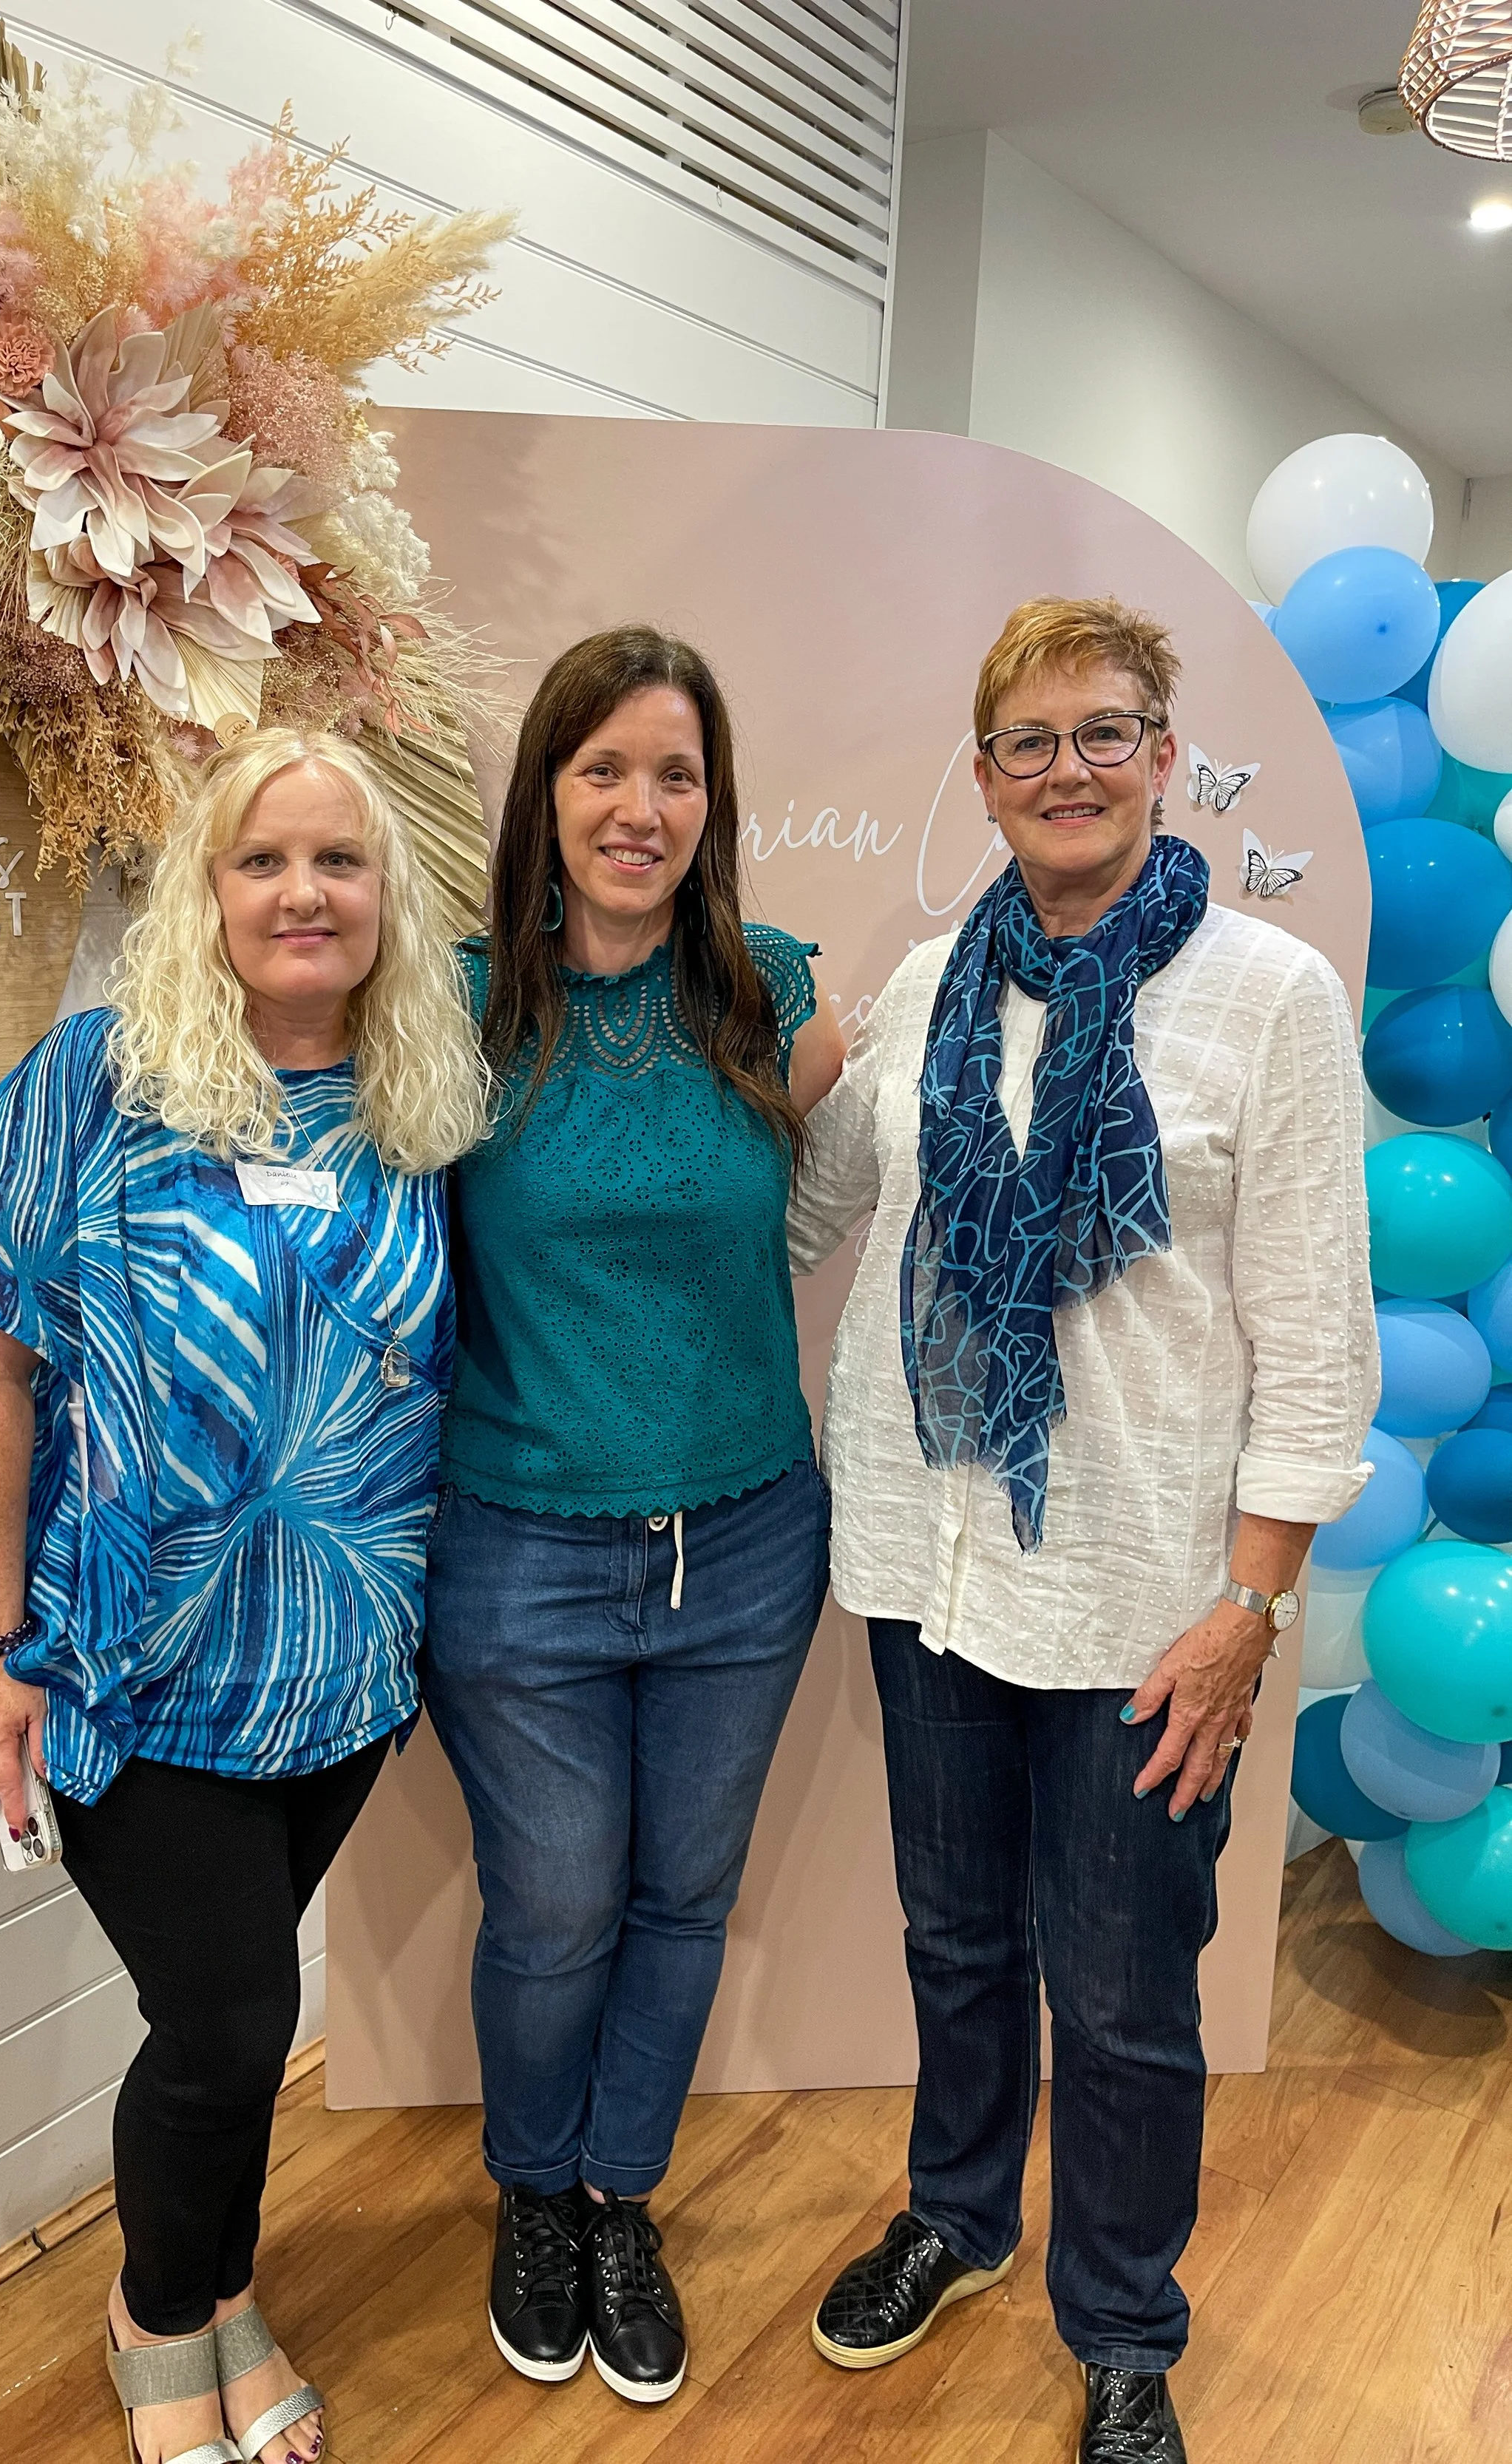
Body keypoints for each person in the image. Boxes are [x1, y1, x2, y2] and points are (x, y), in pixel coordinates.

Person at [790, 598, 1377, 2464]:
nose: (1066, 769)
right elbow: (814, 1214)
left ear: (1163, 756)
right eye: (1028, 741)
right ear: (980, 777)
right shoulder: (921, 978)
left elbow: (1315, 1336)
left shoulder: (1264, 997)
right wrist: (698, 1059)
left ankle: (1122, 2326)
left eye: (1104, 731)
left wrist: (1248, 1610)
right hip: (922, 1558)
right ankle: (955, 2217)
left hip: (1142, 1602)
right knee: (953, 1939)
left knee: (1122, 1998)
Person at [0, 730, 487, 2464]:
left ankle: (223, 2284)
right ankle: (161, 2317)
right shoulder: (95, 1080)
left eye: (339, 863)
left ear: (387, 902)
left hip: (343, 1668)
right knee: (232, 2019)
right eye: (263, 860)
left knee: (221, 2028)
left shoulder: (423, 1102)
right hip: (130, 1666)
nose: (303, 893)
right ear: (206, 891)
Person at [420, 625, 845, 2406]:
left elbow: (820, 1205)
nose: (639, 805)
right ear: (546, 791)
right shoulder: (451, 1008)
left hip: (747, 1540)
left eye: (674, 774)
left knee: (684, 1898)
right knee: (553, 1911)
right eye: (603, 768)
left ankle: (618, 2195)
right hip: (517, 1548)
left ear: (710, 803)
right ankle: (532, 2191)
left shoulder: (770, 988)